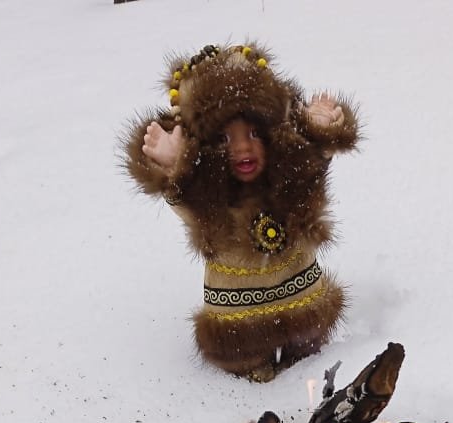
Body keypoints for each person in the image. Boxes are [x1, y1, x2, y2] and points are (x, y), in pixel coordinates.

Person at [123, 42, 360, 380]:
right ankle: (250, 363)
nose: (243, 148)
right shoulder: (209, 197)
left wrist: (318, 133)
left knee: (308, 336)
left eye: (253, 133)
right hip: (238, 310)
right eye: (224, 139)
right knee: (241, 347)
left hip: (301, 292)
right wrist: (174, 169)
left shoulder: (288, 175)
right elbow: (183, 202)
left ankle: (303, 356)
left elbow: (312, 167)